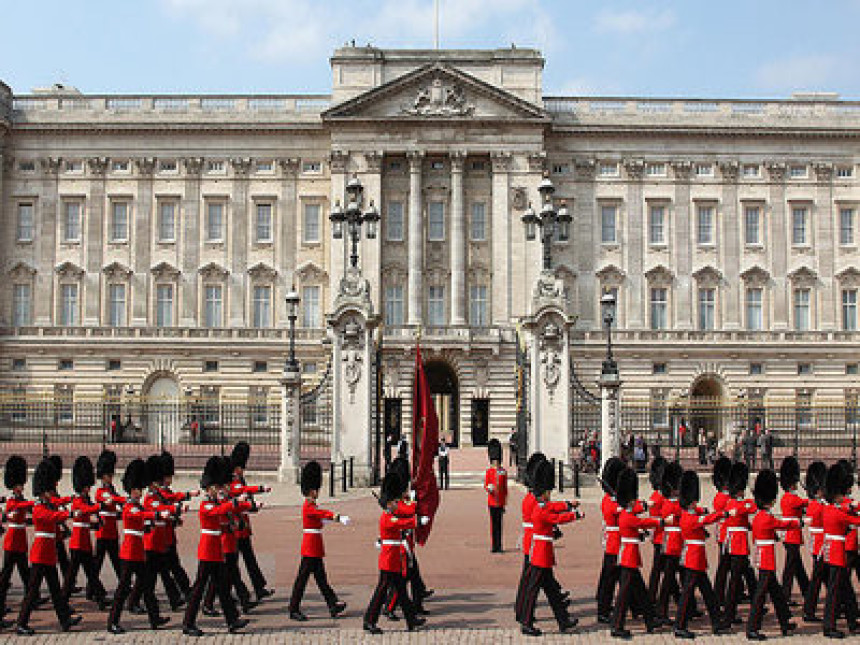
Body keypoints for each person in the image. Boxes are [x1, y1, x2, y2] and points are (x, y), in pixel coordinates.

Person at [182, 456, 249, 637]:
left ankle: (232, 620)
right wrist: (234, 501)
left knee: (223, 589)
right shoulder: (205, 505)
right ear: (209, 488)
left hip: (216, 551)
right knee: (199, 589)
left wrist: (237, 505)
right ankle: (188, 623)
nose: (218, 490)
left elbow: (225, 514)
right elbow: (219, 511)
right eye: (216, 488)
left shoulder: (215, 502)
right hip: (207, 551)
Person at [14, 459, 80, 635]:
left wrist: (71, 499)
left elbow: (57, 505)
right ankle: (21, 623)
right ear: (44, 492)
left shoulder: (47, 503)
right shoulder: (38, 508)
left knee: (56, 591)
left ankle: (65, 620)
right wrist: (71, 513)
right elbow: (53, 516)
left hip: (48, 553)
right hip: (41, 554)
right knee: (32, 592)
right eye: (49, 490)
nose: (52, 493)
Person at [107, 459, 172, 634]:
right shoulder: (129, 507)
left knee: (147, 587)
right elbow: (142, 515)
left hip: (138, 553)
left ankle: (154, 617)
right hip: (129, 553)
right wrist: (158, 514)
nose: (139, 493)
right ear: (131, 490)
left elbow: (143, 520)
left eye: (140, 490)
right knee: (122, 590)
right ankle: (112, 621)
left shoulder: (136, 505)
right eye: (137, 490)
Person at [519, 459, 582, 637]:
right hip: (540, 553)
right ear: (543, 492)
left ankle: (563, 620)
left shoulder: (541, 504)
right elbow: (556, 518)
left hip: (543, 552)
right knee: (533, 589)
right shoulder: (539, 508)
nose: (549, 494)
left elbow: (553, 507)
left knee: (552, 591)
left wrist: (568, 504)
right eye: (548, 491)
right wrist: (574, 515)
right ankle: (526, 622)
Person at [362, 471, 427, 634]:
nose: (397, 504)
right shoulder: (387, 518)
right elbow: (402, 523)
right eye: (394, 502)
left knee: (402, 593)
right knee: (381, 592)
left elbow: (401, 522)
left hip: (394, 559)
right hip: (389, 560)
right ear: (389, 503)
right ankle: (369, 620)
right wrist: (417, 521)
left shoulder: (390, 514)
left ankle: (411, 620)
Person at [288, 460, 349, 621]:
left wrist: (331, 520)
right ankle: (293, 608)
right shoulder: (308, 506)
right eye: (316, 489)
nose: (318, 492)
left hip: (315, 546)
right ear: (311, 490)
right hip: (310, 546)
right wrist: (336, 517)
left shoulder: (312, 505)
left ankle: (332, 603)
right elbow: (321, 514)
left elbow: (319, 520)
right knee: (302, 579)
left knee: (321, 579)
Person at [674, 470, 730, 639]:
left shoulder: (689, 513)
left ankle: (717, 622)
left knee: (708, 593)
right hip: (693, 559)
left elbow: (700, 513)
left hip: (698, 559)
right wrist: (723, 514)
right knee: (687, 593)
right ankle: (680, 625)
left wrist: (704, 510)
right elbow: (705, 520)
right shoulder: (689, 518)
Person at [746, 469, 800, 640]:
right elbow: (781, 524)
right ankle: (752, 628)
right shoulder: (767, 518)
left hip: (763, 556)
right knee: (760, 596)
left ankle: (784, 621)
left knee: (776, 593)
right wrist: (798, 522)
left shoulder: (759, 517)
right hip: (767, 560)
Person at [611, 467, 661, 639]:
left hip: (631, 555)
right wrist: (660, 521)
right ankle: (617, 625)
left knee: (640, 591)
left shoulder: (627, 511)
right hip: (628, 557)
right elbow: (643, 522)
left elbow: (639, 519)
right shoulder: (626, 516)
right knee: (624, 594)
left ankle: (650, 619)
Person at [227, 442, 274, 602]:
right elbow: (241, 493)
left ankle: (258, 587)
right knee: (231, 563)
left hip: (243, 525)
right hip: (236, 526)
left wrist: (253, 505)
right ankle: (229, 593)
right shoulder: (233, 481)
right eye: (241, 467)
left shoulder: (239, 478)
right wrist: (260, 488)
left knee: (248, 558)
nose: (242, 470)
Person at [60, 456, 109, 609]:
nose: (89, 488)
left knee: (92, 573)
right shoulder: (78, 500)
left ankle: (100, 597)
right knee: (71, 576)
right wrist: (99, 507)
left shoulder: (85, 499)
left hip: (85, 542)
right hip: (78, 542)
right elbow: (85, 511)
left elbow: (86, 518)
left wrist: (96, 523)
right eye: (87, 486)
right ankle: (62, 601)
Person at [821, 463, 860, 638]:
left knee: (846, 589)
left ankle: (852, 620)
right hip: (837, 553)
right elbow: (852, 520)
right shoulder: (835, 512)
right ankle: (829, 626)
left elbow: (846, 508)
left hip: (833, 552)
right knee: (834, 592)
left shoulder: (829, 509)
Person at [595, 456, 632, 624]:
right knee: (611, 578)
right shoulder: (611, 502)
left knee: (615, 577)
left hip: (616, 542)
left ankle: (634, 606)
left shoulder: (612, 499)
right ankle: (603, 610)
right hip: (614, 543)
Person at [722, 462, 759, 627]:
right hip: (738, 546)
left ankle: (756, 603)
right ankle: (729, 615)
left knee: (747, 577)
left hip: (739, 545)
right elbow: (753, 506)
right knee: (735, 582)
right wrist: (756, 494)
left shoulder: (734, 503)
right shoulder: (735, 504)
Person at [0, 456, 33, 627]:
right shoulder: (13, 501)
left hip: (20, 543)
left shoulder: (20, 500)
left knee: (27, 577)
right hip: (12, 543)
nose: (22, 486)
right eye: (20, 484)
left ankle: (32, 600)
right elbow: (12, 510)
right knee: (5, 579)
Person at [91, 450, 124, 597]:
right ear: (103, 476)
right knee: (97, 564)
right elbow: (111, 500)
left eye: (111, 475)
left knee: (117, 562)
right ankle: (91, 589)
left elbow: (117, 500)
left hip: (112, 531)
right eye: (108, 475)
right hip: (103, 532)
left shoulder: (112, 490)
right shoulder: (100, 492)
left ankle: (124, 585)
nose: (110, 478)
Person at [779, 456, 809, 602]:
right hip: (793, 535)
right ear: (791, 485)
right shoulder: (793, 498)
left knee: (797, 567)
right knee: (791, 568)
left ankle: (807, 592)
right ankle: (784, 595)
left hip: (789, 535)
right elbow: (807, 503)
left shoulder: (786, 497)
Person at [802, 461, 828, 623]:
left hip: (819, 543)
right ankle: (809, 610)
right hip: (822, 544)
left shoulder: (814, 505)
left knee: (823, 577)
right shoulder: (819, 506)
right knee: (818, 578)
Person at [646, 456, 667, 602]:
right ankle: (651, 598)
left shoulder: (662, 496)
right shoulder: (656, 497)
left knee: (665, 570)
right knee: (658, 570)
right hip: (661, 538)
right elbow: (654, 519)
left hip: (668, 538)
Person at [484, 439, 508, 553]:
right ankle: (494, 546)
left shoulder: (503, 471)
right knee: (493, 525)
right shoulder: (489, 472)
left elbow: (505, 489)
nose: (495, 463)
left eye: (497, 461)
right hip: (492, 501)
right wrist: (489, 488)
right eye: (494, 461)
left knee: (500, 525)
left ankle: (499, 546)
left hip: (500, 502)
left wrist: (504, 503)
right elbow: (485, 485)